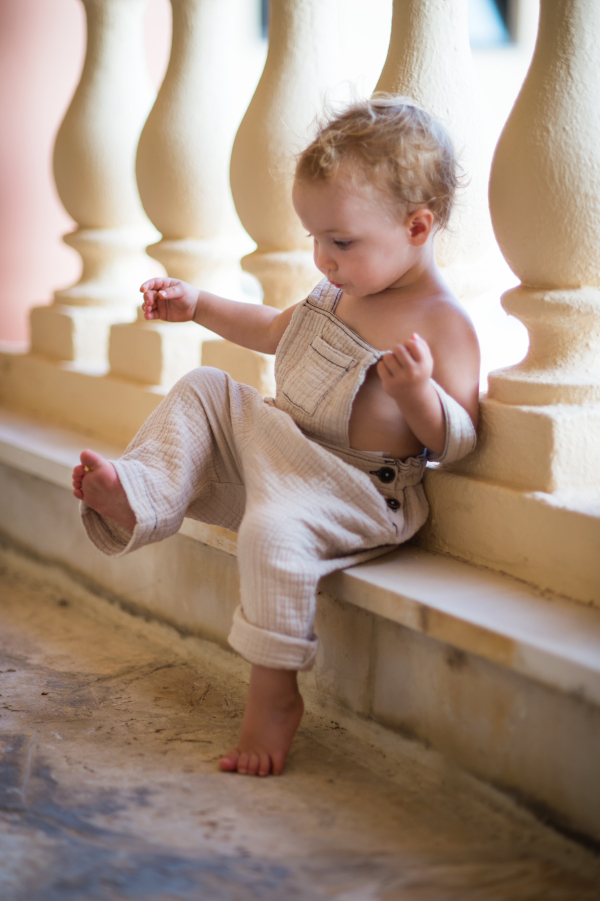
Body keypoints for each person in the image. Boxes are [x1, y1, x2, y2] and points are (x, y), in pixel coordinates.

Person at [72, 97, 480, 778]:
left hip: (354, 488)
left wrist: (419, 396)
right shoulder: (340, 292)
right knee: (207, 388)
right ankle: (140, 494)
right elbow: (270, 328)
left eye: (340, 241)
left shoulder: (443, 322)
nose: (322, 257)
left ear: (417, 226)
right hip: (287, 446)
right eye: (314, 237)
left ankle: (274, 694)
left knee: (271, 532)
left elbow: (461, 438)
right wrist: (198, 304)